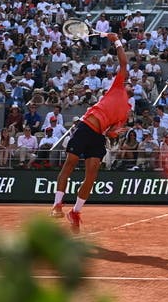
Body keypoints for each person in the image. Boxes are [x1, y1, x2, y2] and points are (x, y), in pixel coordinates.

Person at [51, 34, 130, 233]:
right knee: (69, 164)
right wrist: (116, 40)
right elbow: (123, 61)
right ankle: (57, 204)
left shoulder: (125, 113)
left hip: (98, 137)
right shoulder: (118, 86)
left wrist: (114, 133)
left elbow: (112, 133)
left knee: (92, 174)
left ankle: (75, 212)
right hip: (85, 127)